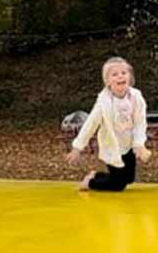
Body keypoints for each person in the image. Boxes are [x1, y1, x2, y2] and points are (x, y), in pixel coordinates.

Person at [65, 57, 153, 191]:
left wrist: (139, 144)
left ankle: (97, 175)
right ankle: (90, 183)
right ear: (108, 81)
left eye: (124, 73)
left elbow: (140, 122)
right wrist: (77, 147)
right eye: (115, 74)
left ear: (129, 76)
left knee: (129, 178)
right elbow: (90, 124)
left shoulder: (136, 97)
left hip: (129, 145)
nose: (120, 76)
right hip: (113, 146)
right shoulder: (103, 102)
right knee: (118, 185)